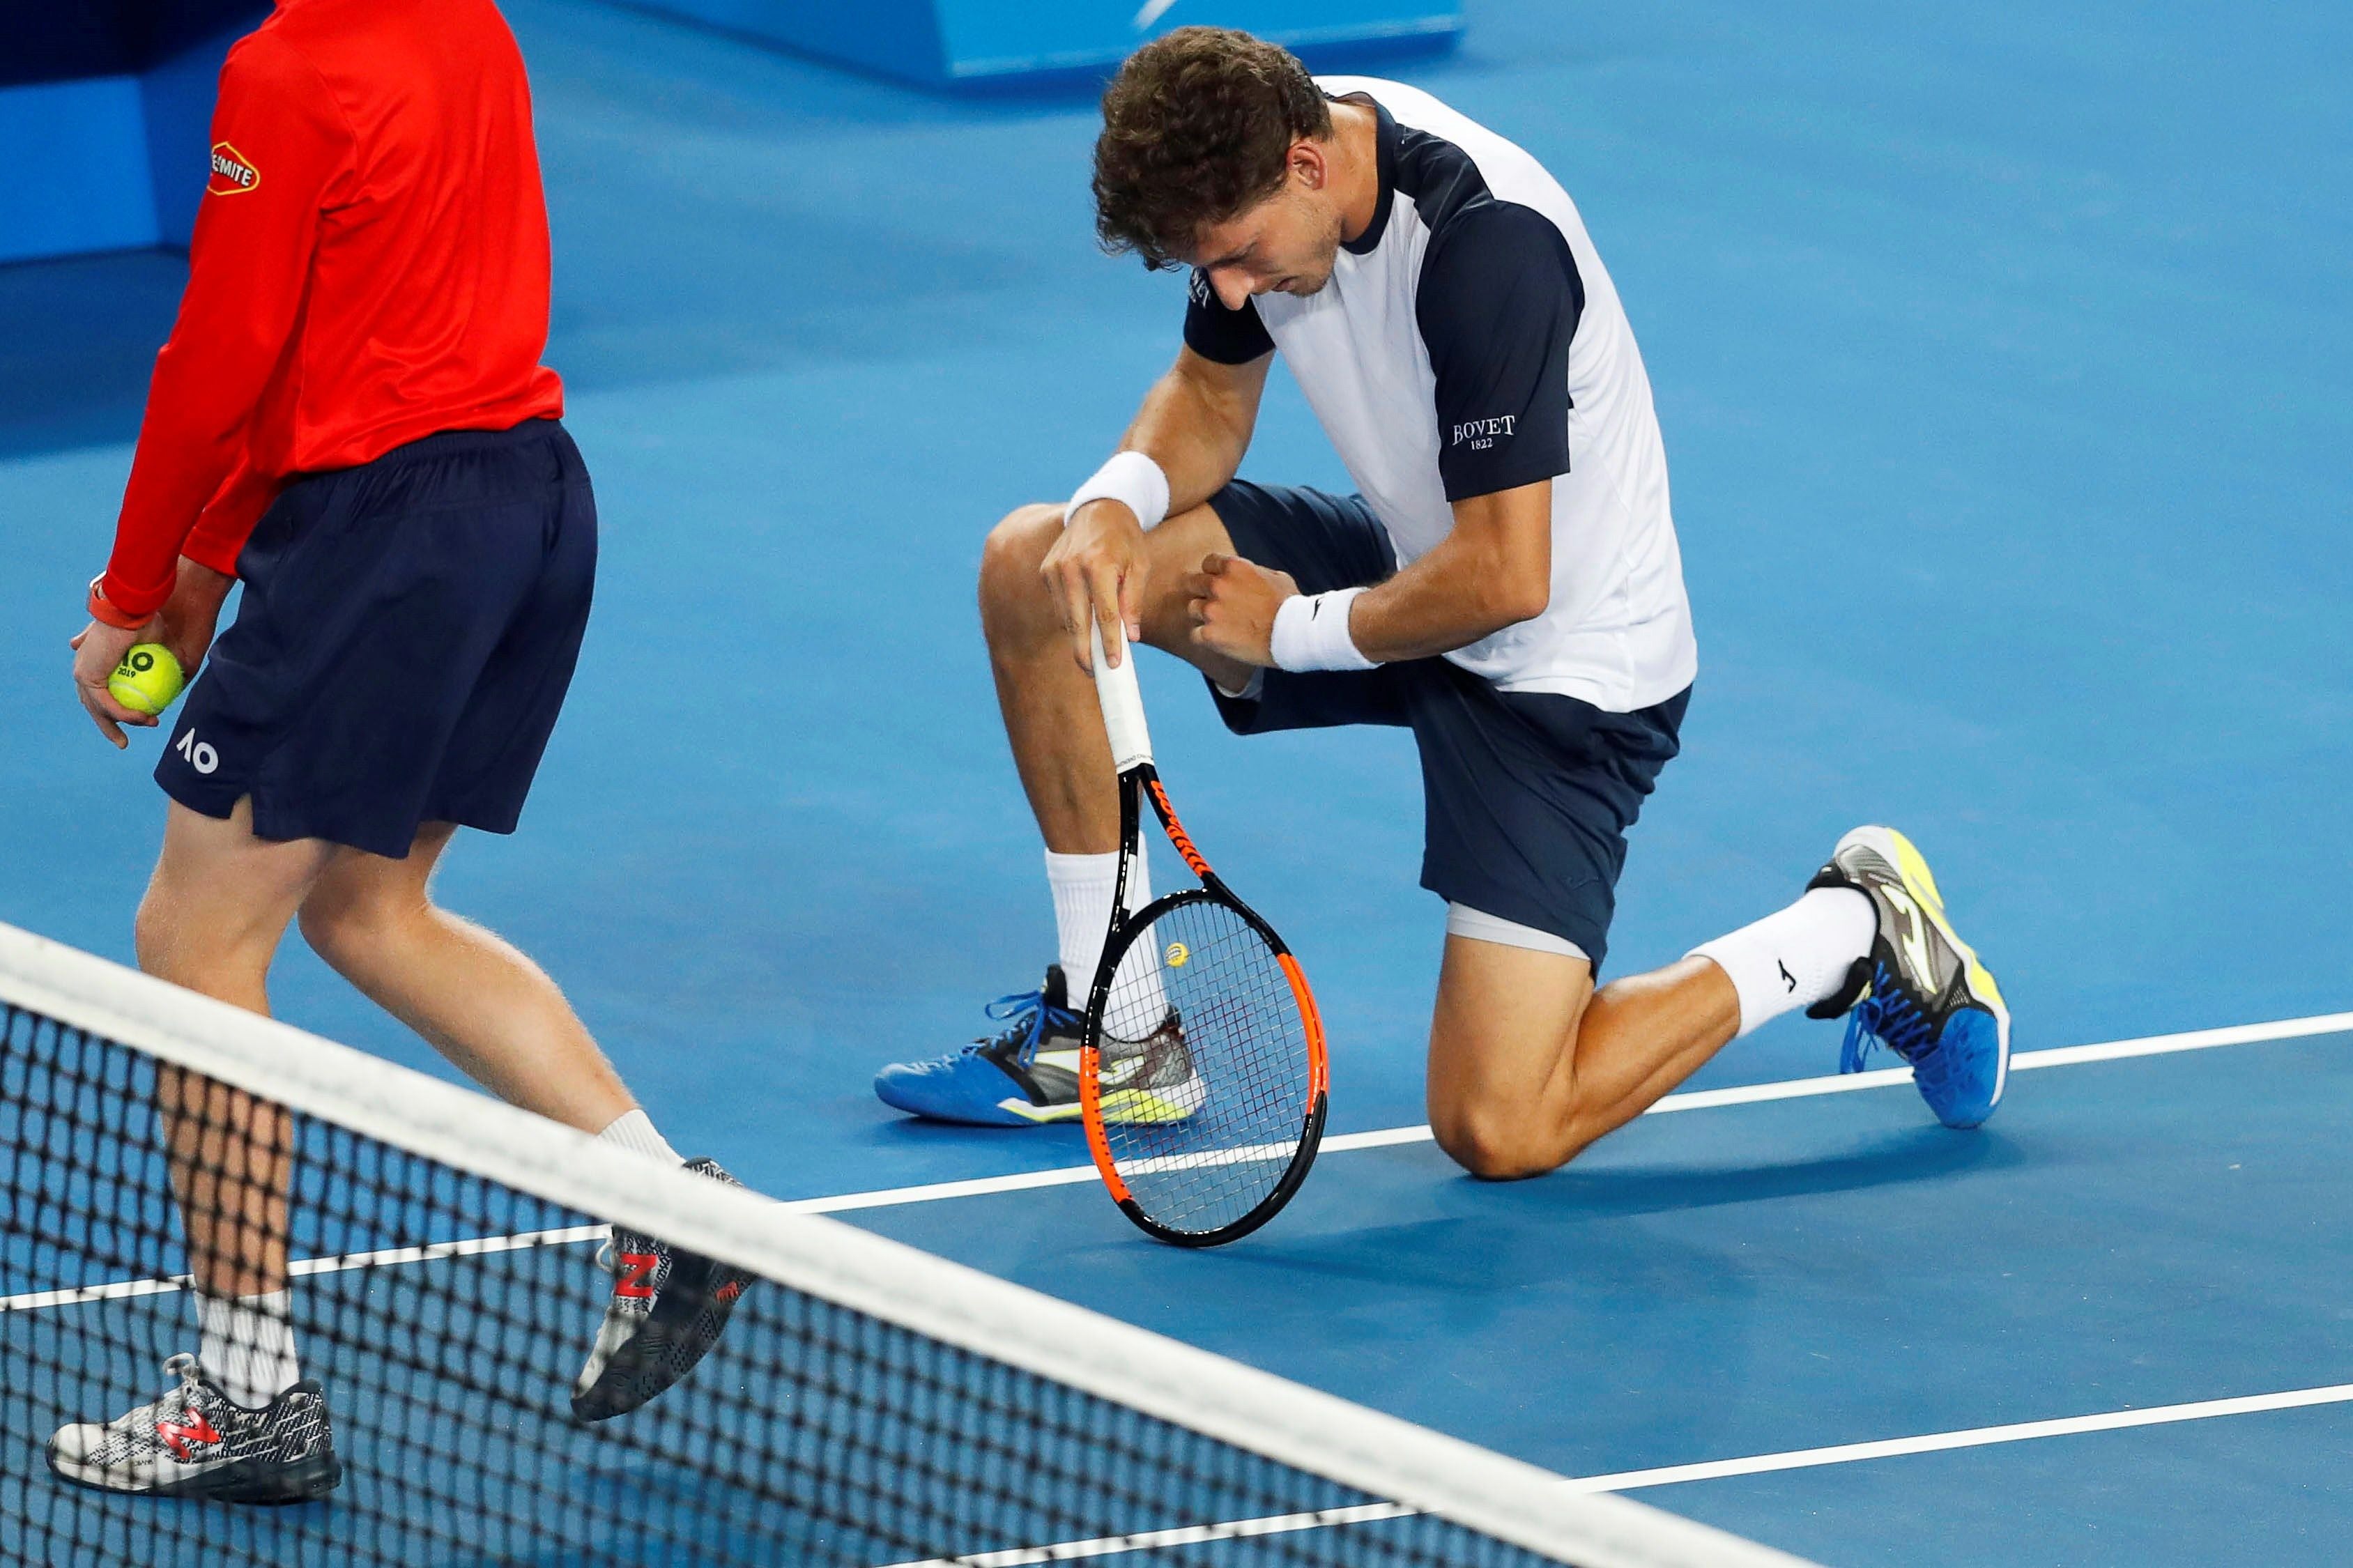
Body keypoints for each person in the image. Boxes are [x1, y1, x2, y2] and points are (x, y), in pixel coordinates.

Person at [873, 28, 2009, 1171]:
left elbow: (1507, 580)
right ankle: (1118, 1033)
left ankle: (1852, 926)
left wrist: (1286, 630)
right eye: (1203, 269)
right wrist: (1118, 499)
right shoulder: (1269, 161)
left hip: (1565, 675)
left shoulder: (1485, 244)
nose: (1228, 289)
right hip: (1417, 559)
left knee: (1501, 1125)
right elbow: (1210, 399)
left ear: (1309, 169)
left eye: (1237, 256)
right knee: (1040, 561)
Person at [56, 0, 742, 1504]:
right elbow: (330, 322)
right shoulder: (471, 23)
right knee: (365, 908)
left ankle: (246, 1388)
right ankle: (665, 1204)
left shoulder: (286, 67)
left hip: (387, 535)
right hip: (528, 503)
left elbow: (228, 350)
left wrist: (132, 589)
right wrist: (212, 569)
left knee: (190, 939)